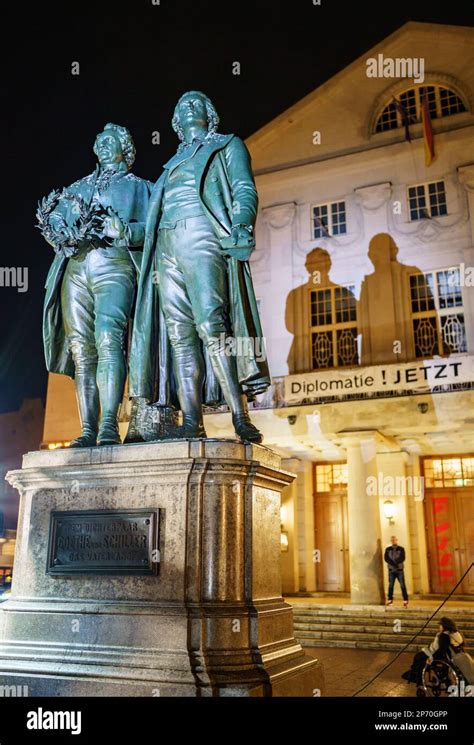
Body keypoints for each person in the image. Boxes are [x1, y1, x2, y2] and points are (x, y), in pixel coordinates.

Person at [129, 91, 270, 442]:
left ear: (210, 113)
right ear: (176, 121)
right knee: (180, 336)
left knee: (212, 324)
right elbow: (149, 220)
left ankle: (240, 415)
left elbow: (244, 188)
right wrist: (125, 232)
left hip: (202, 233)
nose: (189, 106)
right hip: (166, 245)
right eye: (181, 105)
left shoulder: (227, 145)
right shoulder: (170, 164)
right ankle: (192, 421)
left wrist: (241, 224)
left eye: (197, 102)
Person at [42, 123, 151, 446]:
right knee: (81, 351)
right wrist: (59, 232)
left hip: (115, 267)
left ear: (126, 149)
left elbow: (158, 229)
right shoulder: (75, 188)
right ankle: (88, 428)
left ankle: (107, 424)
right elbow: (57, 222)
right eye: (99, 142)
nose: (103, 147)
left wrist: (127, 231)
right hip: (75, 270)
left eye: (111, 141)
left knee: (108, 338)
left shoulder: (142, 188)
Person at [402, 617, 465, 686]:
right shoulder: (456, 634)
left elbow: (441, 650)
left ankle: (416, 676)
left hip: (437, 655)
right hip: (449, 656)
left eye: (440, 625)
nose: (439, 627)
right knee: (419, 656)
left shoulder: (444, 636)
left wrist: (432, 658)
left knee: (418, 656)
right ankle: (414, 673)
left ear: (445, 626)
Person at [384, 535, 408, 606]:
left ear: (396, 540)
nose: (393, 541)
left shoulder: (401, 549)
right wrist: (392, 563)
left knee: (402, 585)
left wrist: (396, 563)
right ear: (391, 541)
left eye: (394, 540)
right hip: (391, 570)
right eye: (392, 540)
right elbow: (386, 558)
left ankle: (405, 600)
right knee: (391, 585)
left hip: (399, 570)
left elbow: (402, 557)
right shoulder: (388, 549)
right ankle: (390, 600)